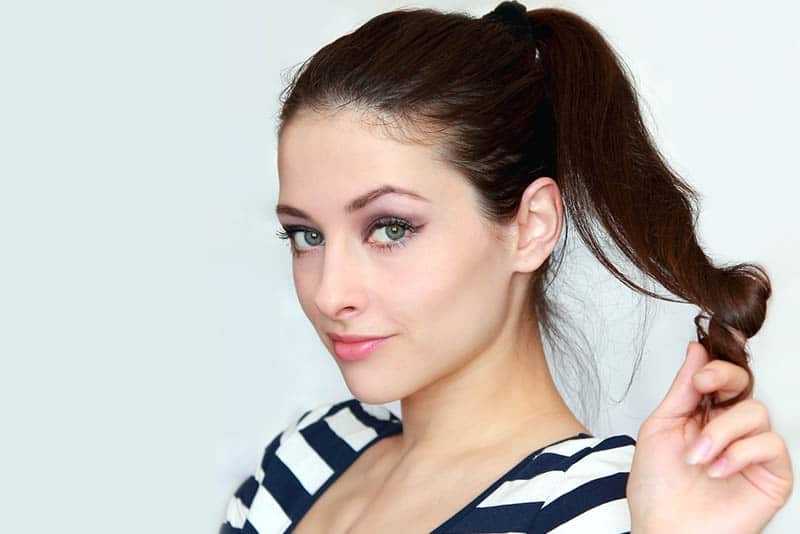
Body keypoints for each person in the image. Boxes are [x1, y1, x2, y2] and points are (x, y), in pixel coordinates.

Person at [220, 1, 793, 532]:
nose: (329, 293)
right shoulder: (305, 457)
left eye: (391, 229)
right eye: (306, 235)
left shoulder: (598, 508)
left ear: (531, 225)